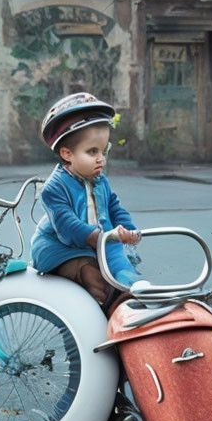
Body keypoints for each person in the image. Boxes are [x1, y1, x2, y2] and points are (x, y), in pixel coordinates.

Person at [31, 92, 141, 306]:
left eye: (104, 151)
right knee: (90, 270)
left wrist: (127, 229)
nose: (101, 159)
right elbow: (66, 224)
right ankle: (89, 293)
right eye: (92, 152)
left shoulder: (100, 180)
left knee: (121, 265)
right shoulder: (54, 188)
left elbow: (114, 207)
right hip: (61, 247)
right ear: (67, 154)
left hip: (102, 240)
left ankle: (133, 291)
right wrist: (95, 237)